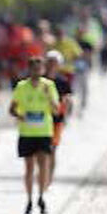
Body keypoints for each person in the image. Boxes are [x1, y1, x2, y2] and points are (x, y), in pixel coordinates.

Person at [10, 57, 59, 214]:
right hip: (27, 132)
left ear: (43, 70)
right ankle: (29, 199)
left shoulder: (49, 85)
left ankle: (42, 196)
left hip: (44, 131)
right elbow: (12, 109)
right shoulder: (21, 86)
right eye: (34, 68)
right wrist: (19, 116)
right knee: (29, 167)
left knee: (43, 165)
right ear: (29, 70)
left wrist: (48, 96)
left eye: (40, 68)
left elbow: (56, 110)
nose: (37, 71)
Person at [44, 51, 73, 189]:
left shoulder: (63, 81)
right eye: (49, 61)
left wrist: (66, 115)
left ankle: (49, 178)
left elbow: (68, 101)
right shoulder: (40, 80)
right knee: (42, 150)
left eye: (54, 62)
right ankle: (42, 175)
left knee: (53, 150)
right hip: (41, 121)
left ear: (59, 65)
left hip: (57, 121)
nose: (51, 65)